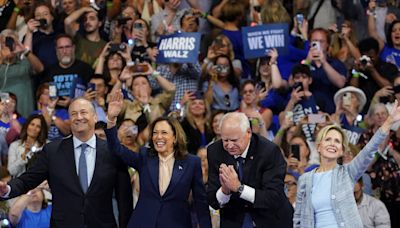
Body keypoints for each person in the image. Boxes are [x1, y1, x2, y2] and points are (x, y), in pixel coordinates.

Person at [0, 98, 133, 227]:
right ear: (69, 120)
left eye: (83, 112)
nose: (79, 117)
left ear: (95, 117)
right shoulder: (52, 151)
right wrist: (8, 189)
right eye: (73, 114)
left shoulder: (113, 151)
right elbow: (27, 180)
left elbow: (124, 200)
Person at [105, 90, 212, 228]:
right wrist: (111, 119)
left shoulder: (191, 162)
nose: (158, 137)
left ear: (174, 137)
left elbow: (201, 203)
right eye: (155, 133)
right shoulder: (145, 156)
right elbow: (116, 149)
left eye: (164, 133)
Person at [293, 100, 400, 228]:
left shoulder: (348, 172)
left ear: (341, 150)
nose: (332, 143)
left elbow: (368, 150)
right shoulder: (305, 179)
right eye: (328, 139)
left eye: (337, 141)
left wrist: (388, 123)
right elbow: (298, 220)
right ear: (319, 147)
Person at [207, 112, 293, 227]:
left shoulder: (269, 151)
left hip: (269, 219)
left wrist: (239, 188)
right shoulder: (215, 151)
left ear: (248, 133)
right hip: (234, 220)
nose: (230, 146)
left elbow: (273, 197)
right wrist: (224, 191)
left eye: (234, 140)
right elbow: (213, 200)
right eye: (225, 140)